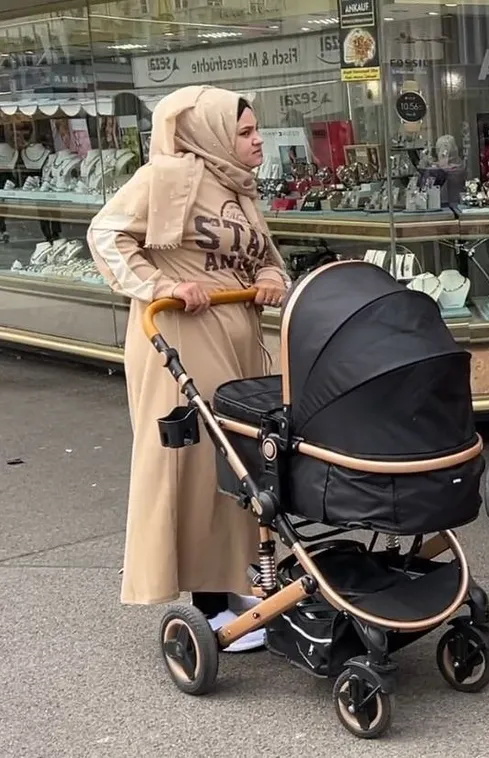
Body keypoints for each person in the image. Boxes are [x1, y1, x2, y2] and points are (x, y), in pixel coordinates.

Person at [87, 86, 289, 651]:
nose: (257, 141)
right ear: (211, 133)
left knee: (243, 460)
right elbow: (105, 235)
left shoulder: (238, 190)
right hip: (181, 332)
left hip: (238, 336)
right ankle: (207, 600)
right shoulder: (167, 177)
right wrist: (163, 286)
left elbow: (266, 259)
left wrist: (273, 278)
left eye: (256, 131)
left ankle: (233, 583)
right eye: (245, 132)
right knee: (200, 462)